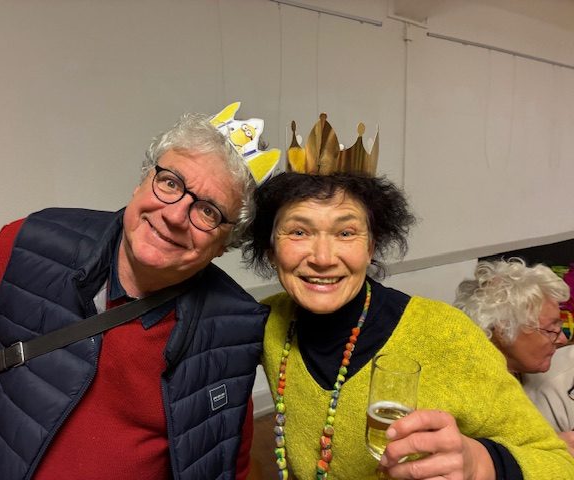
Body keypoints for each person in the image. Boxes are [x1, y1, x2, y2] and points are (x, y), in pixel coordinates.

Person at [0, 103, 279, 479]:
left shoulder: (235, 326)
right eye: (170, 183)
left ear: (224, 244)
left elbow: (223, 457)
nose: (174, 215)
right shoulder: (31, 244)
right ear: (143, 180)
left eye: (208, 211)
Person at [240, 114, 574, 479]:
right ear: (271, 250)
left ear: (372, 246)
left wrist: (481, 462)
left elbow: (558, 463)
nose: (322, 258)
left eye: (346, 233)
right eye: (299, 232)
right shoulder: (267, 322)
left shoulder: (447, 336)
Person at [454, 258, 574, 455]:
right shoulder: (474, 395)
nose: (561, 339)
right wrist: (550, 447)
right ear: (503, 330)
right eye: (550, 330)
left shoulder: (513, 375)